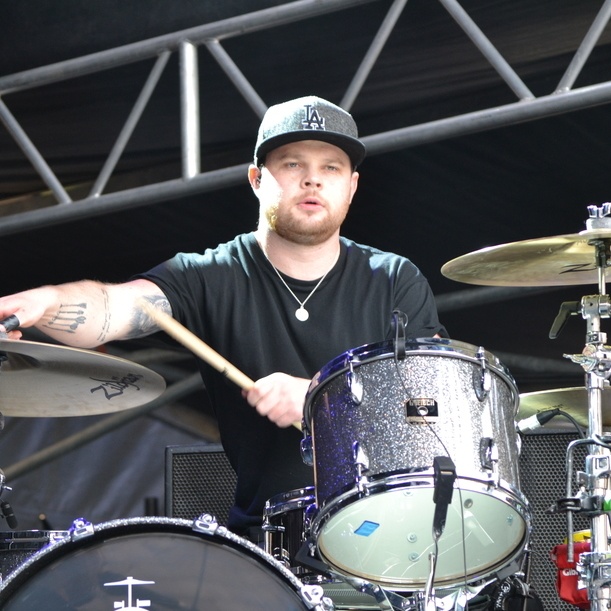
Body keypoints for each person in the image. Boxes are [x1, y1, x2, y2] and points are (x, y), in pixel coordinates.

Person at [0, 95, 446, 541]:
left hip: (395, 530)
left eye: (330, 167)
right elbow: (118, 307)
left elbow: (437, 412)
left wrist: (322, 401)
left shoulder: (394, 279)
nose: (312, 179)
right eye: (292, 164)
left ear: (351, 186)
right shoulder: (210, 275)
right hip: (268, 541)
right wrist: (46, 301)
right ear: (257, 179)